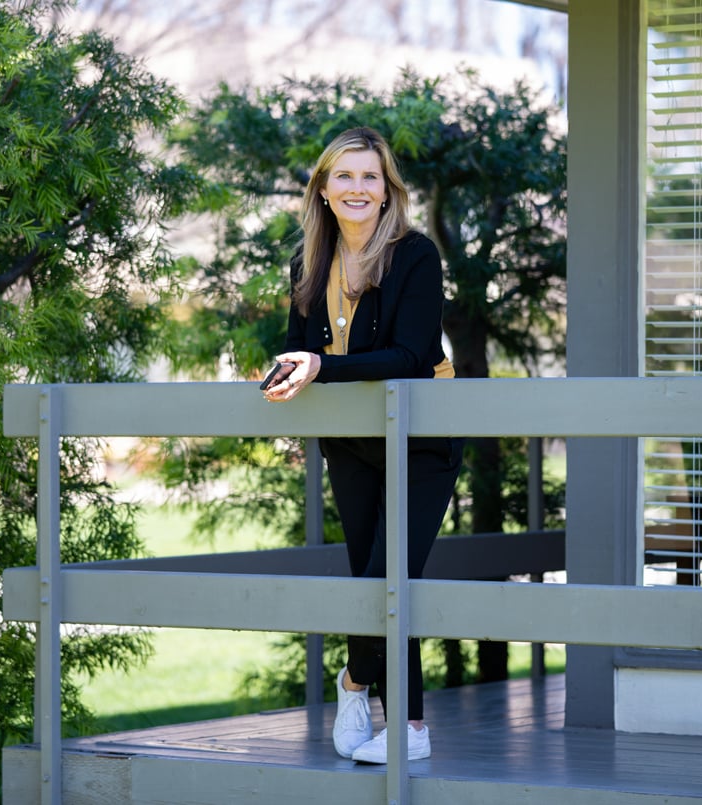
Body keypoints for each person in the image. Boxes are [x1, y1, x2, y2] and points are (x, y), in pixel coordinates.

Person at [261, 127, 462, 764]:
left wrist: (321, 366)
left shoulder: (415, 256)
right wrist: (288, 371)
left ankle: (362, 691)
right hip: (350, 441)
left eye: (369, 176)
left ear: (386, 190)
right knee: (368, 577)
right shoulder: (307, 264)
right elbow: (299, 349)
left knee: (390, 575)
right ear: (323, 190)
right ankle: (398, 723)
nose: (357, 187)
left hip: (423, 437)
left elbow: (407, 356)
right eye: (343, 176)